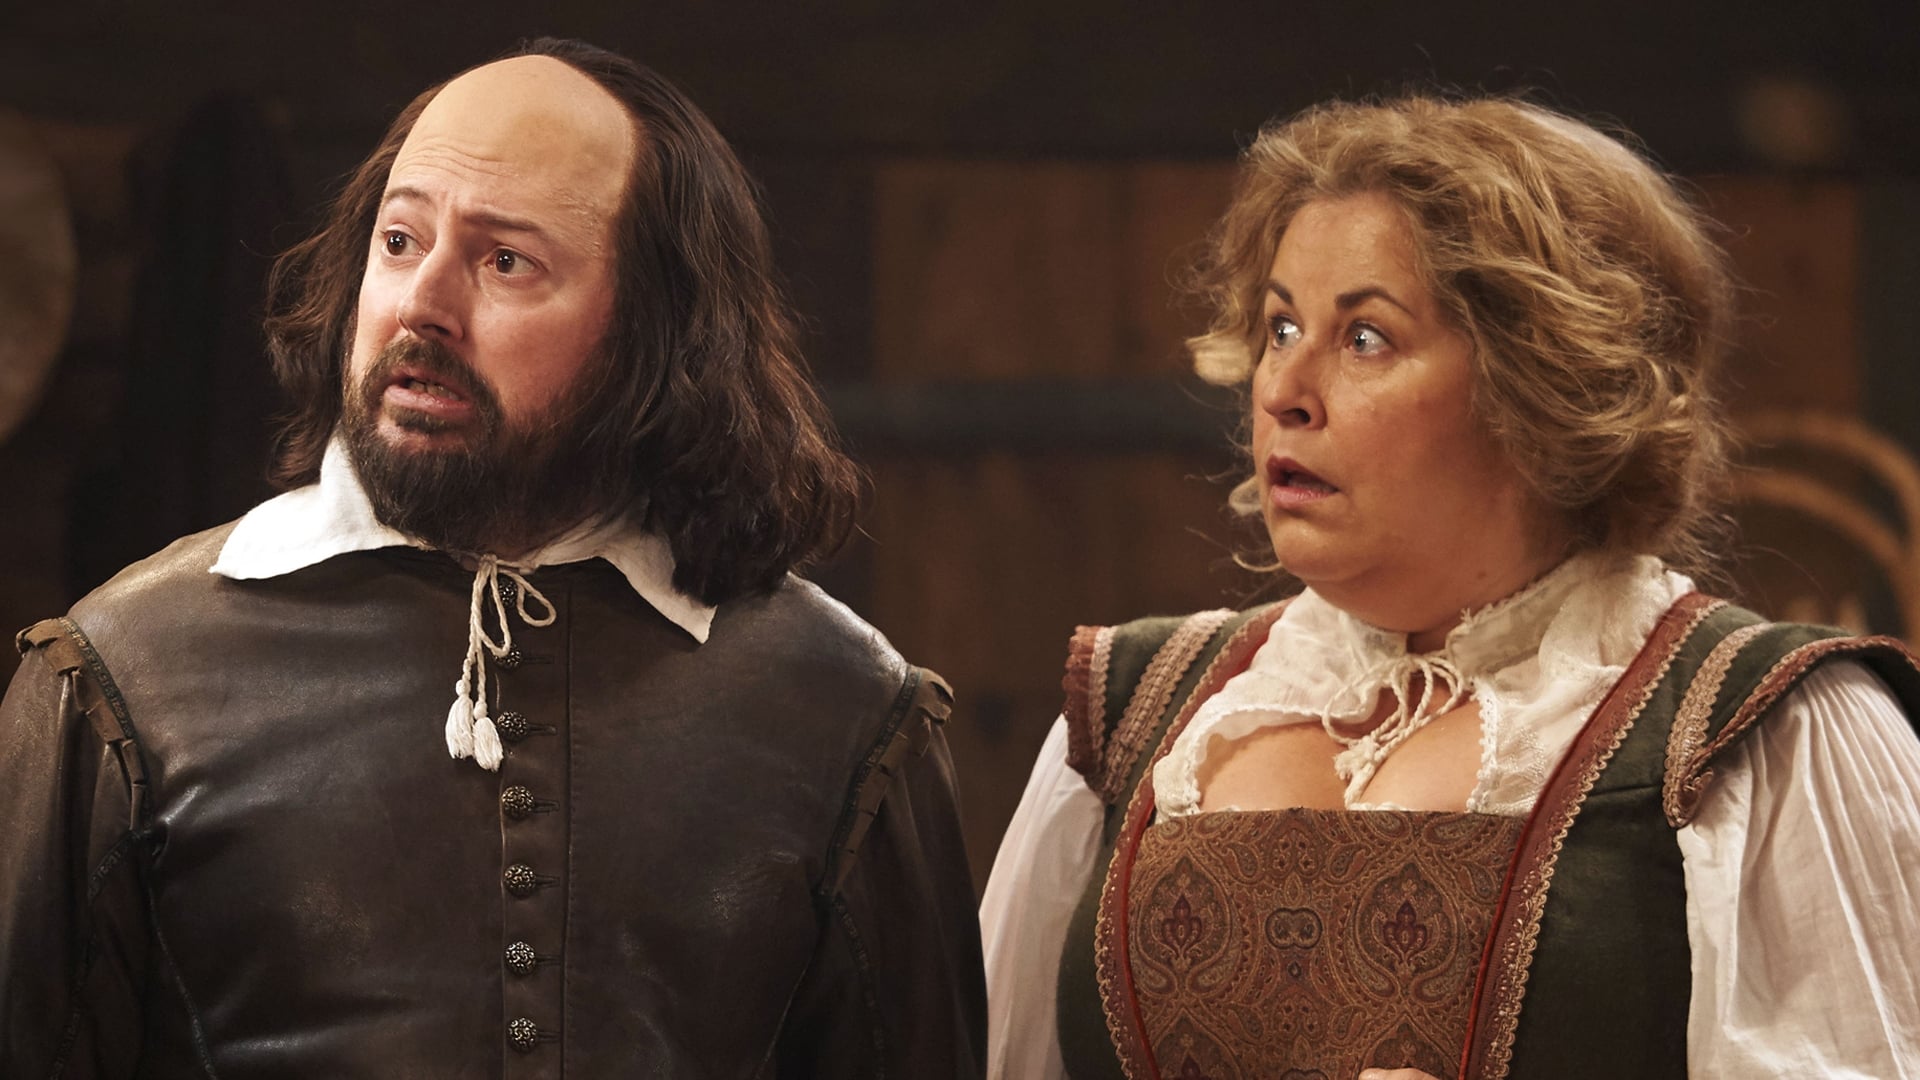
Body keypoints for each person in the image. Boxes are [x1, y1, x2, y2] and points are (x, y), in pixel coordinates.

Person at [0, 38, 985, 1078]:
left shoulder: (844, 708)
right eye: (399, 240)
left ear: (657, 330)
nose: (420, 305)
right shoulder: (119, 678)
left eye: (505, 261)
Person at [980, 94, 1920, 1080]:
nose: (1282, 390)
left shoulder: (1758, 728)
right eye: (1281, 326)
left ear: (1541, 384)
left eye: (1365, 338)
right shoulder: (1138, 710)